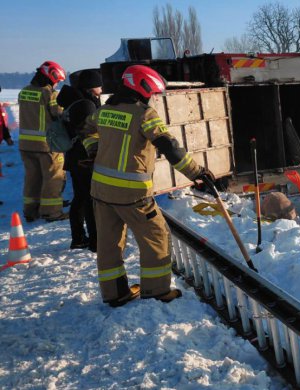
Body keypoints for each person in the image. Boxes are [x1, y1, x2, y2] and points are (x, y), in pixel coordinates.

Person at [82, 65, 214, 307]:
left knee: (109, 244)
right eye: (151, 92)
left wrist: (93, 148)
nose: (151, 96)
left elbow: (87, 129)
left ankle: (115, 293)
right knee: (156, 237)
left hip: (101, 192)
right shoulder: (144, 114)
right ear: (142, 87)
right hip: (133, 195)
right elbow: (170, 147)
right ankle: (156, 290)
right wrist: (198, 172)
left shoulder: (104, 111)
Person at [57, 69, 102, 251]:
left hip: (75, 157)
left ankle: (78, 238)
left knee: (80, 198)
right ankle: (95, 241)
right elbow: (89, 133)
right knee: (90, 200)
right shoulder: (86, 105)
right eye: (99, 86)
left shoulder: (75, 100)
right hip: (84, 158)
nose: (101, 89)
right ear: (91, 87)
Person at [18, 61, 67, 222]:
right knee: (53, 178)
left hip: (26, 144)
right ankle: (52, 212)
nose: (57, 83)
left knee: (32, 177)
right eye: (57, 80)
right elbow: (58, 114)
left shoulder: (24, 91)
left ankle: (30, 210)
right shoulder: (49, 93)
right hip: (47, 144)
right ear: (50, 76)